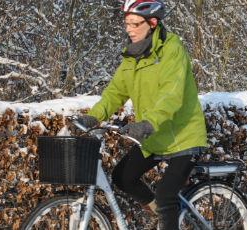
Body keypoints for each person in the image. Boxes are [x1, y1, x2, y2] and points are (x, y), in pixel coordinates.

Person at [76, 0, 207, 229]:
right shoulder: (131, 57)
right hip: (155, 138)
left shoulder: (171, 49)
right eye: (127, 23)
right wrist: (93, 117)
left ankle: (167, 214)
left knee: (166, 195)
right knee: (122, 178)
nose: (129, 29)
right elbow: (114, 93)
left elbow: (171, 95)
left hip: (184, 137)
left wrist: (148, 123)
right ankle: (165, 217)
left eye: (135, 24)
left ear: (153, 23)